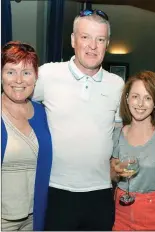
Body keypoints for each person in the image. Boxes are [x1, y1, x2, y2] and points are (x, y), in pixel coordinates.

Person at [32, 9, 124, 231]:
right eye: (85, 37)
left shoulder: (117, 85)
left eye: (100, 39)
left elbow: (119, 131)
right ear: (73, 40)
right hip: (55, 191)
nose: (92, 46)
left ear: (107, 44)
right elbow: (18, 104)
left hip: (101, 192)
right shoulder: (47, 74)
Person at [1, 41, 52, 231]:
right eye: (11, 71)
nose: (19, 80)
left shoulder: (43, 113)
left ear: (36, 77)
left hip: (35, 218)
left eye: (27, 72)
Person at [110, 71, 155, 230]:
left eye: (148, 98)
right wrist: (115, 171)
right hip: (121, 212)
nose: (140, 104)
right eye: (135, 96)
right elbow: (113, 177)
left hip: (154, 213)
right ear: (127, 98)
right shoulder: (117, 135)